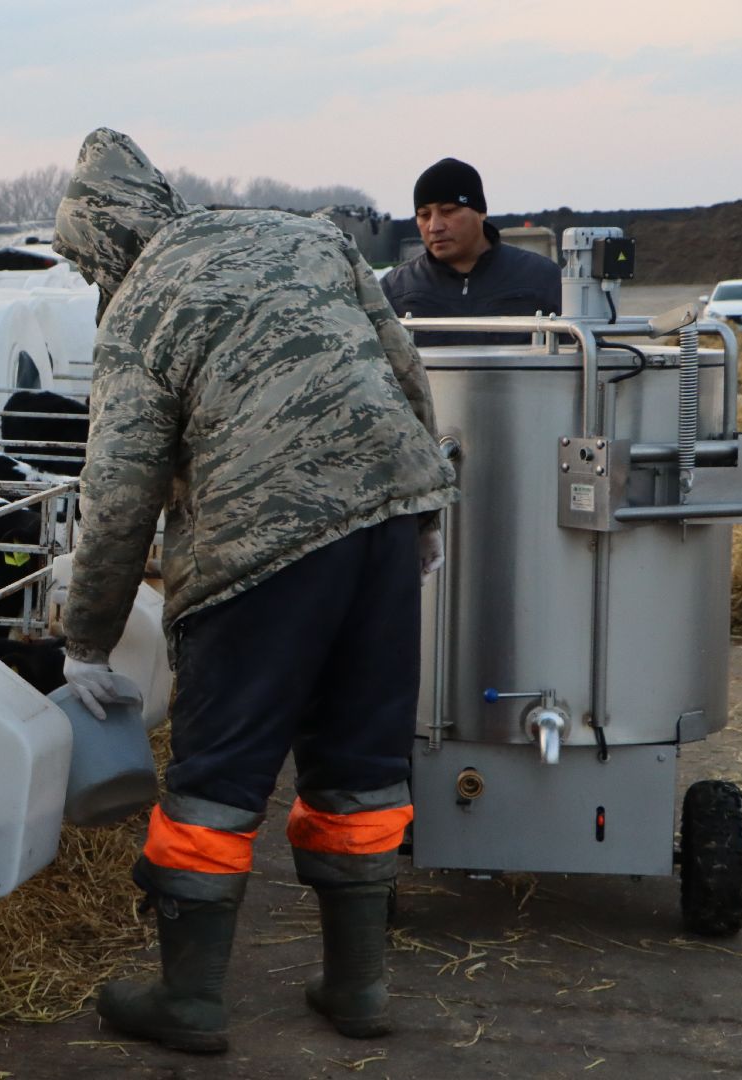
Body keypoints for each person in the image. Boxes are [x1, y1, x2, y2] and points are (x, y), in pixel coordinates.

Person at [50, 128, 459, 1054]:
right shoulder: (306, 236)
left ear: (103, 243)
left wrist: (87, 640)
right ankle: (360, 988)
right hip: (386, 517)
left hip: (260, 547)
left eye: (85, 267)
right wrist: (422, 512)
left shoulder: (142, 309)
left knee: (218, 774)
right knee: (361, 757)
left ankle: (189, 999)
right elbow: (401, 368)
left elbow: (117, 496)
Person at [380, 157, 562, 345]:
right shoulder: (394, 292)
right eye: (424, 215)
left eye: (448, 210)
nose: (434, 226)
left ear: (481, 212)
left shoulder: (543, 279)